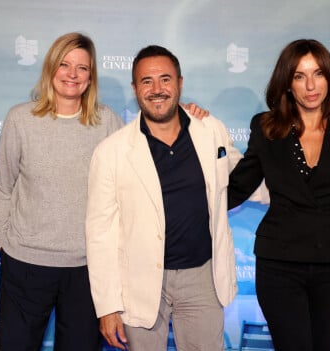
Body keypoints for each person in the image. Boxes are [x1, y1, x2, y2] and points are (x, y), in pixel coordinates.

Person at [0, 33, 208, 351]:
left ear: (91, 76)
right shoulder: (20, 119)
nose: (72, 74)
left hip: (87, 271)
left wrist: (188, 116)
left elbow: (141, 170)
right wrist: (4, 243)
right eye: (64, 64)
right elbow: (2, 186)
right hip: (25, 265)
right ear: (51, 68)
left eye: (82, 68)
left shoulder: (108, 123)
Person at [85, 45, 241, 351]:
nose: (157, 89)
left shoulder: (211, 130)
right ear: (135, 89)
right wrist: (107, 306)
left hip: (203, 278)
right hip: (139, 283)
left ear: (180, 83)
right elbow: (100, 235)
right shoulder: (111, 152)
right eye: (147, 81)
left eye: (165, 79)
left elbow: (245, 177)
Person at [227, 39, 330, 351]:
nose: (311, 86)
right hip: (278, 264)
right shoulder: (266, 128)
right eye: (299, 76)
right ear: (287, 83)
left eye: (318, 74)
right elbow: (237, 187)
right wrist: (189, 125)